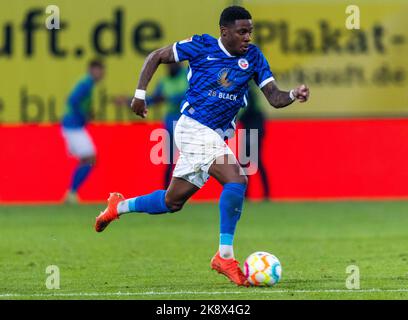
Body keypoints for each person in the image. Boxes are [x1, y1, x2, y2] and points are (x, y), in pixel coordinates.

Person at [95, 6, 310, 286]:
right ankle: (225, 257)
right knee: (237, 179)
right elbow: (156, 56)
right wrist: (139, 95)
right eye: (242, 32)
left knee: (172, 201)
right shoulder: (201, 46)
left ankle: (117, 207)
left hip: (215, 135)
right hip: (193, 127)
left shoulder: (254, 57)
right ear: (225, 32)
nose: (247, 37)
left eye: (250, 32)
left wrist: (293, 93)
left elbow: (274, 98)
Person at [61, 59, 105, 203]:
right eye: (99, 70)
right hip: (73, 126)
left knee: (86, 160)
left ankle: (72, 192)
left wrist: (87, 113)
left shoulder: (88, 84)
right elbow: (72, 100)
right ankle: (72, 192)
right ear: (92, 70)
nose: (101, 74)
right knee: (90, 159)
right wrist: (83, 115)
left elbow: (75, 101)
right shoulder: (86, 84)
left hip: (73, 125)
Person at [146, 63, 188, 188]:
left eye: (172, 64)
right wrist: (136, 100)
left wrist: (169, 98)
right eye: (168, 65)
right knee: (170, 160)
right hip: (171, 122)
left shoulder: (187, 75)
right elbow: (154, 99)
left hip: (188, 121)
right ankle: (167, 192)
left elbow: (188, 95)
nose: (170, 67)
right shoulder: (163, 81)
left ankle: (186, 189)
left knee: (189, 158)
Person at [239, 82, 270, 200]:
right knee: (250, 162)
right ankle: (262, 194)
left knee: (251, 162)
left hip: (253, 129)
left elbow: (248, 109)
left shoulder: (247, 90)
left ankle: (261, 194)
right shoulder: (248, 89)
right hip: (252, 129)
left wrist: (235, 118)